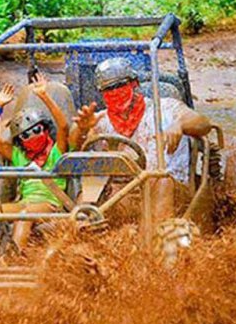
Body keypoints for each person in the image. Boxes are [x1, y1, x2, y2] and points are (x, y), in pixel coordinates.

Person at [70, 57, 212, 220]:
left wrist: (179, 124)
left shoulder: (165, 107)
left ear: (134, 83)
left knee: (161, 181)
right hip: (122, 193)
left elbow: (203, 123)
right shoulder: (99, 120)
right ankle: (79, 230)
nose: (115, 92)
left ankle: (158, 238)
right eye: (109, 89)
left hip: (169, 188)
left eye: (120, 85)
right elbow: (73, 143)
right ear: (102, 93)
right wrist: (81, 128)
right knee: (91, 185)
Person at [0, 73, 69, 252]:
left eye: (36, 130)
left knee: (25, 215)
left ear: (45, 129)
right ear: (20, 141)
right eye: (25, 135)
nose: (32, 137)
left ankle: (15, 258)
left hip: (50, 205)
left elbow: (63, 126)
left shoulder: (56, 152)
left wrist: (44, 96)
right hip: (24, 203)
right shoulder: (19, 156)